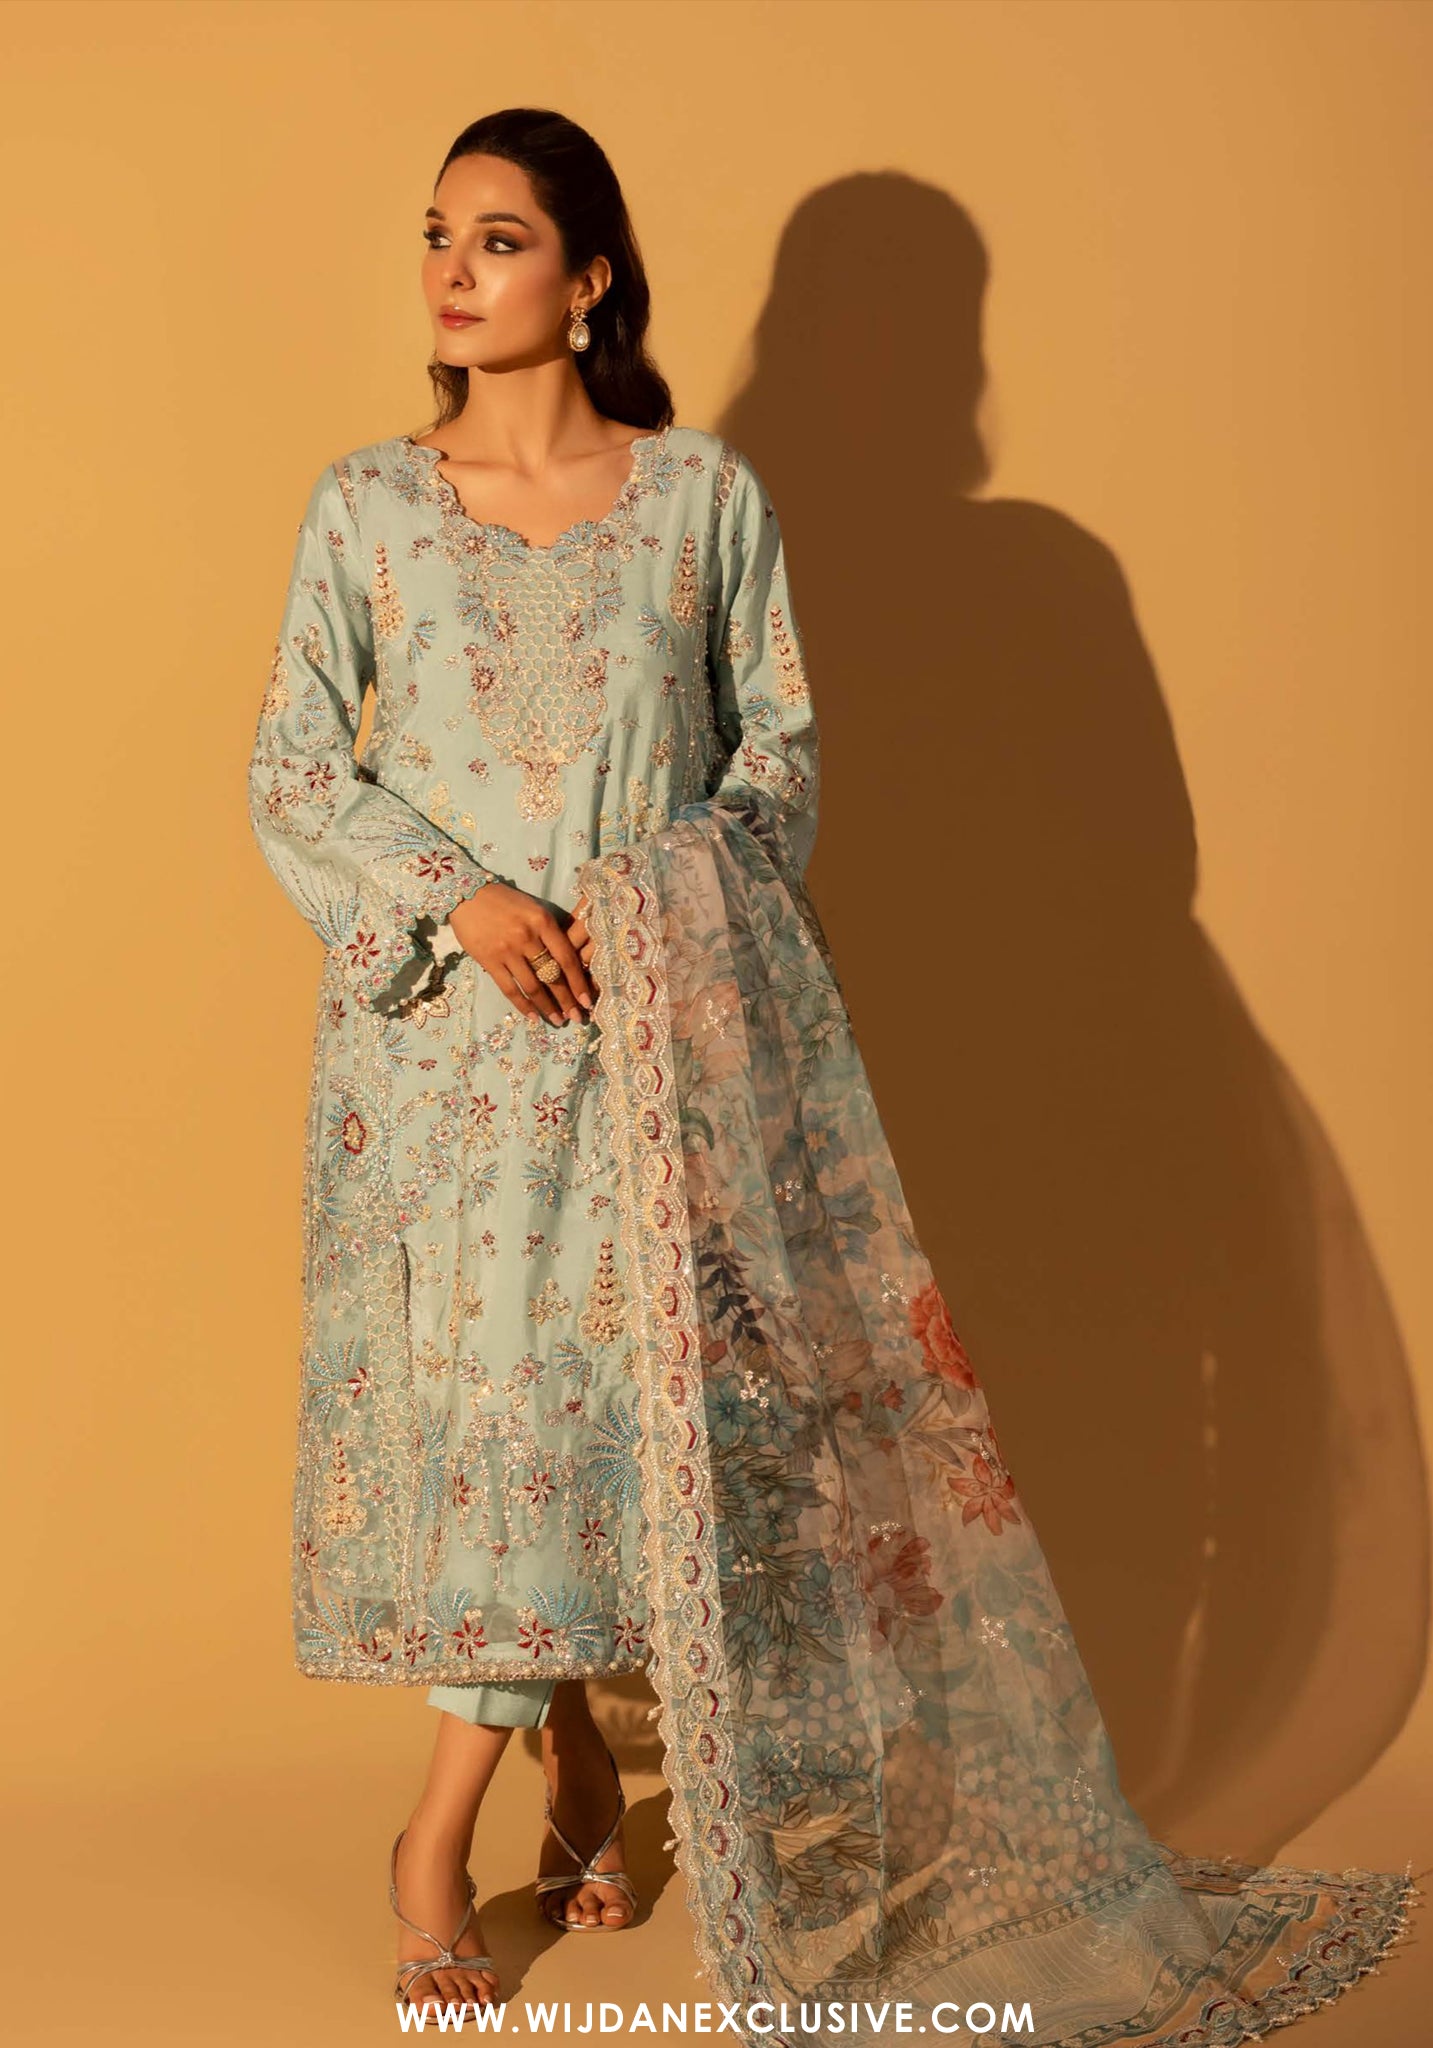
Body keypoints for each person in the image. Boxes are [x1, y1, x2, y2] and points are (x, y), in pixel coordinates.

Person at [249, 107, 1423, 2041]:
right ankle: (555, 1771)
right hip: (446, 1057)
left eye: (500, 239)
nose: (453, 272)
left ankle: (437, 1839)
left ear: (590, 278)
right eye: (436, 237)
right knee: (504, 1418)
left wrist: (650, 904)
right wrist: (466, 902)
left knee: (611, 1413)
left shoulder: (701, 501)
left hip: (652, 1040)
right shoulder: (366, 509)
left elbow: (779, 762)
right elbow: (297, 766)